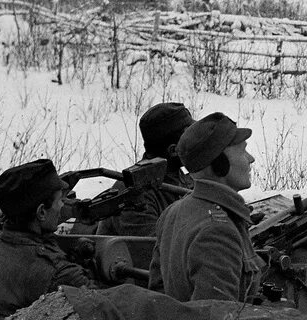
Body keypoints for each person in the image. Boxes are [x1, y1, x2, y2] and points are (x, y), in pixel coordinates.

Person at [149, 112, 264, 303]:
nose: (251, 159)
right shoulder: (218, 231)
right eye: (243, 151)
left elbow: (159, 295)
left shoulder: (173, 211)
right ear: (220, 164)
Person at [0, 159, 91, 316]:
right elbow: (104, 308)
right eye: (60, 201)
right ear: (41, 212)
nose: (63, 206)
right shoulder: (57, 273)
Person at [96, 102, 195, 238]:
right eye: (192, 139)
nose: (199, 142)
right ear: (173, 150)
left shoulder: (180, 175)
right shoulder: (133, 195)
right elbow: (156, 249)